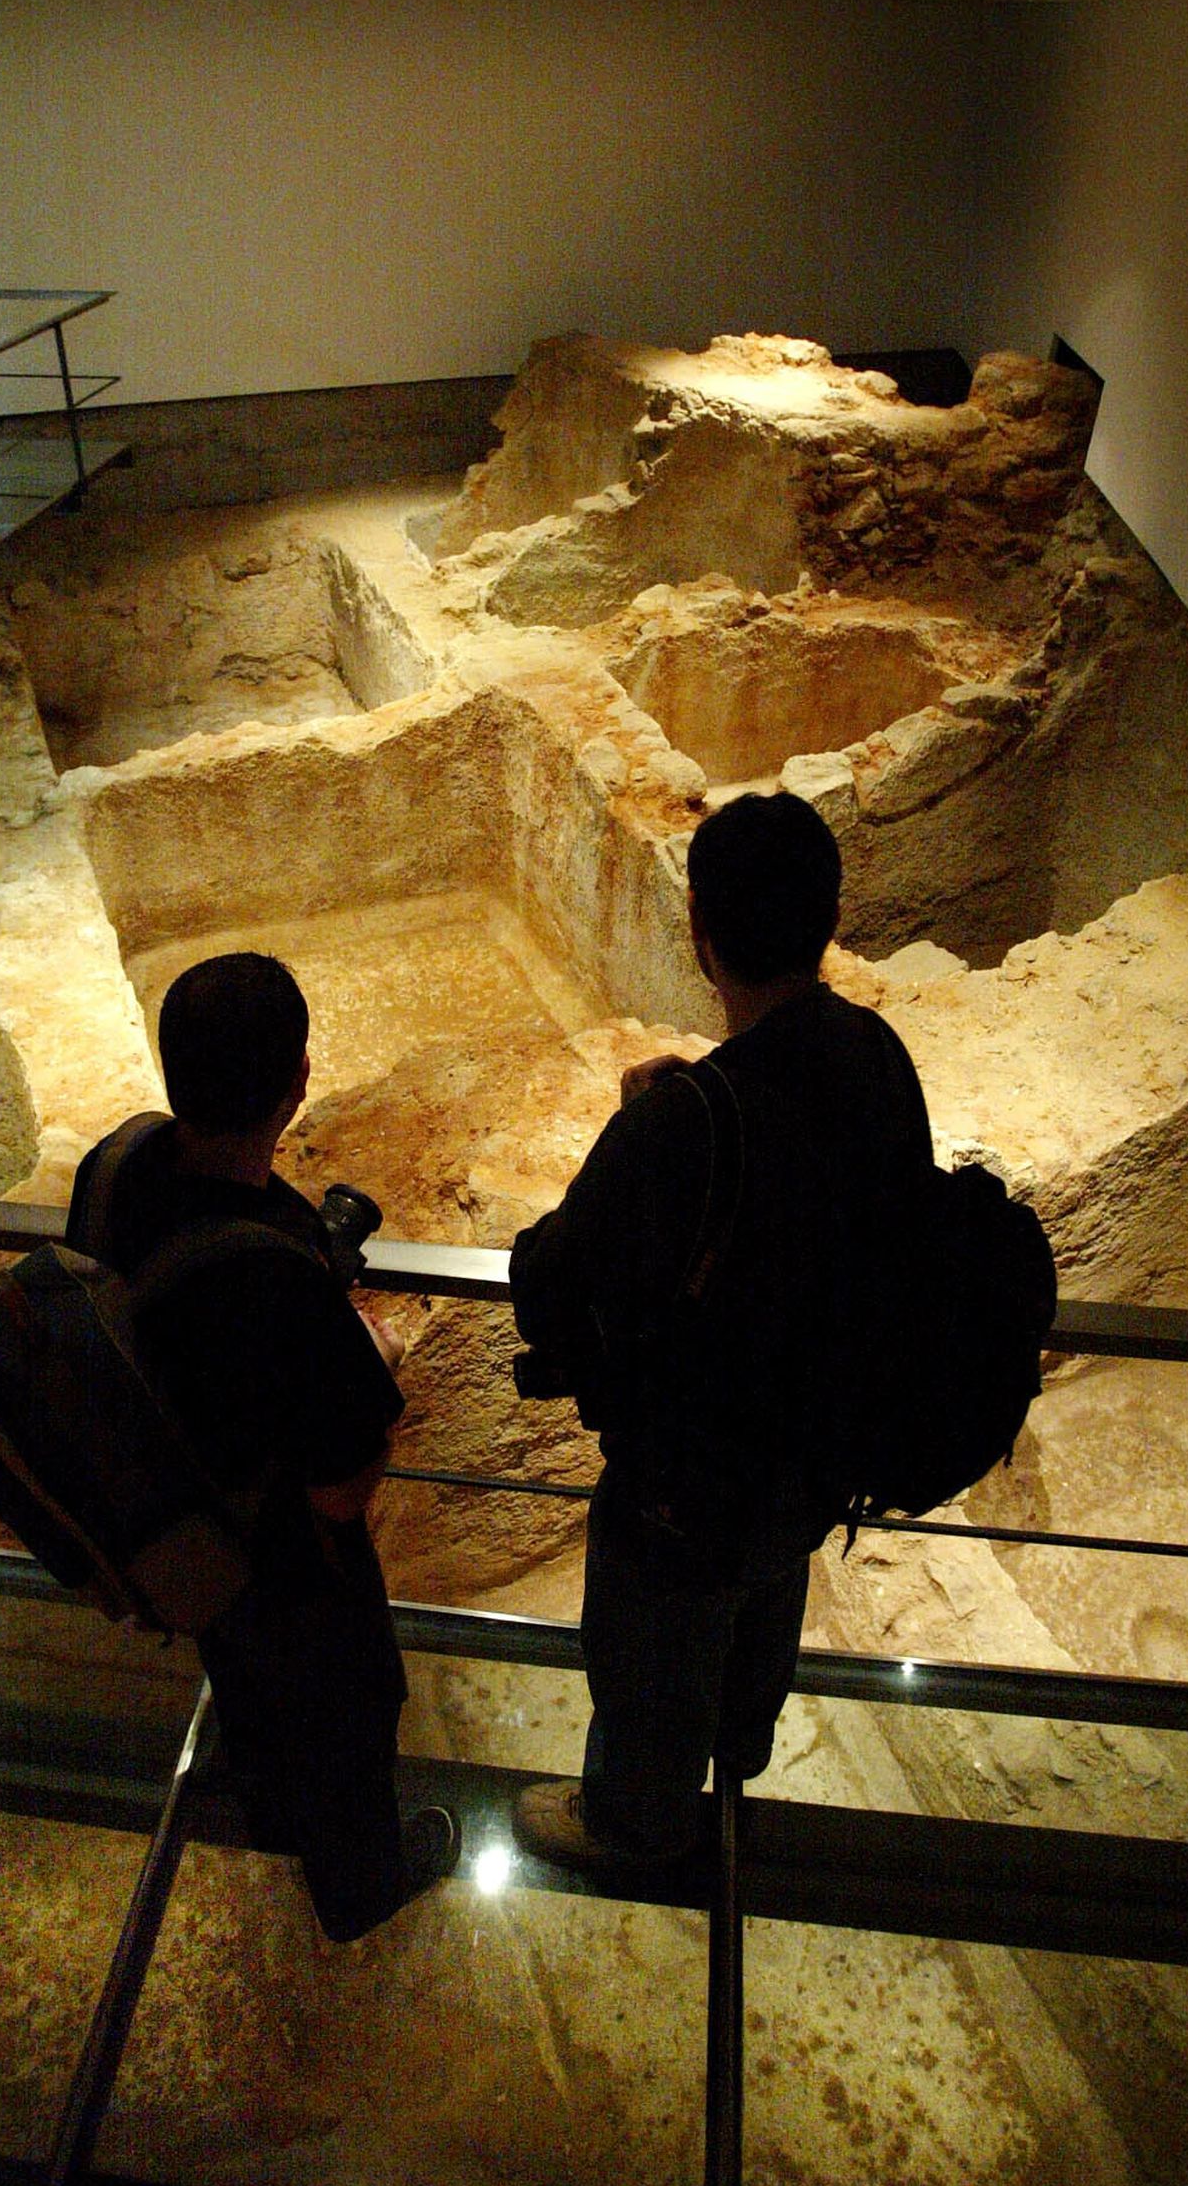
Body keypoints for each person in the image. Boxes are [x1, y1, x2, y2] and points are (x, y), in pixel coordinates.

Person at [508, 791, 933, 1869]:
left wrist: (642, 1124)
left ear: (700, 935)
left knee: (654, 1654)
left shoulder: (681, 1127)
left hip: (686, 1486)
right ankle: (741, 1753)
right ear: (830, 918)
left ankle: (635, 1822)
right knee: (764, 1597)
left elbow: (546, 1279)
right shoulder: (878, 1056)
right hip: (814, 1460)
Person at [66, 950, 460, 1940]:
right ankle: (360, 1887)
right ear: (297, 1079)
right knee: (349, 1713)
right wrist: (361, 1340)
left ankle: (268, 1804)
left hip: (175, 1523)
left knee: (247, 1688)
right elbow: (342, 1484)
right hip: (283, 1564)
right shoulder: (274, 1282)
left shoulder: (113, 1172)